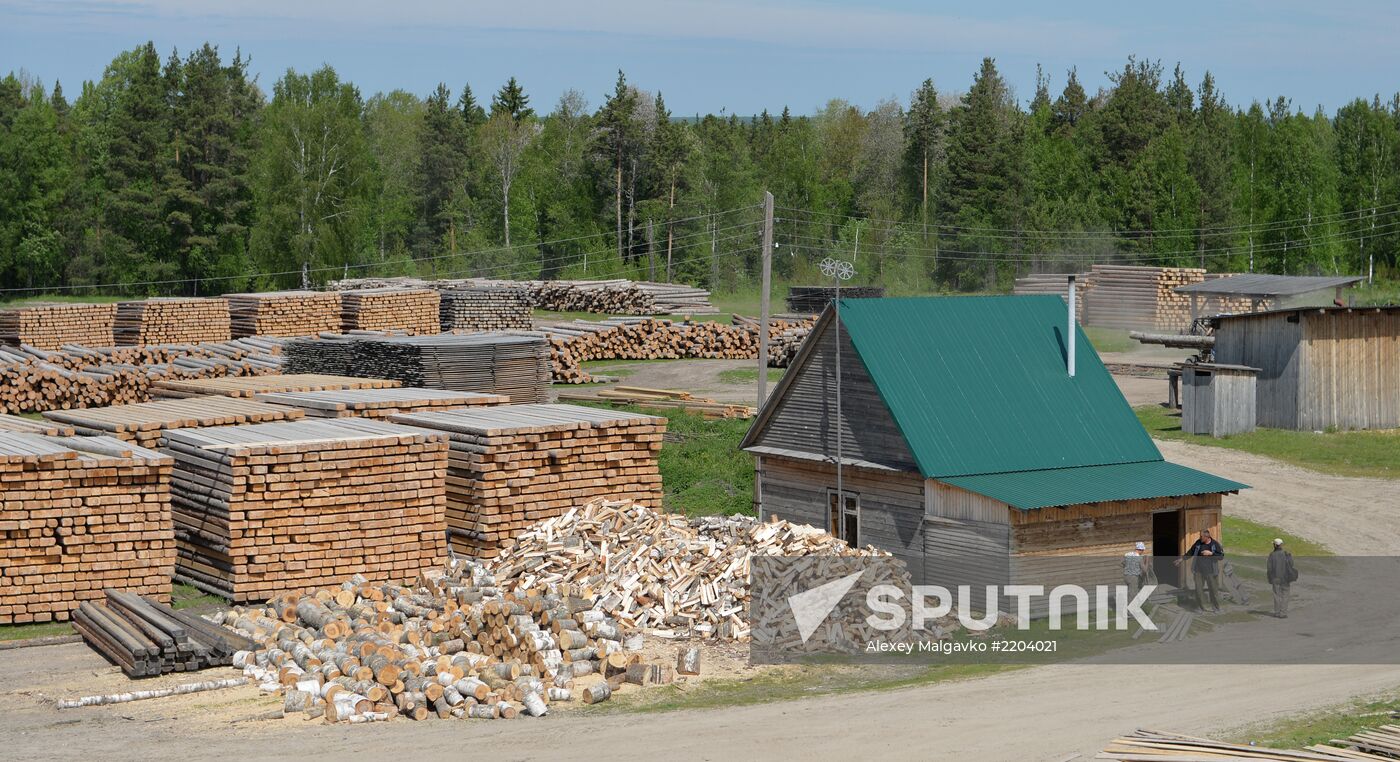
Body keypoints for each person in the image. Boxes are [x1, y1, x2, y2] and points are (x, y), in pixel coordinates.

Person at [1175, 529, 1224, 612]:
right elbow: (1191, 552)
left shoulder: (1215, 544)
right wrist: (1181, 559)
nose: (1200, 538)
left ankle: (1216, 608)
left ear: (1207, 537)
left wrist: (1211, 553)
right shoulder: (1198, 543)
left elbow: (1221, 556)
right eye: (1200, 536)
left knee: (1213, 590)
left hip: (1211, 572)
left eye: (1201, 536)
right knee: (1198, 590)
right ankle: (1200, 607)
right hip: (1198, 571)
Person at [1266, 538, 1298, 618]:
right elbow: (1291, 564)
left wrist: (1270, 578)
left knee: (1277, 595)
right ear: (1281, 545)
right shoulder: (1286, 554)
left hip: (1275, 578)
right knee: (1285, 595)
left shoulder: (1271, 555)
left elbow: (1269, 568)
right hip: (1285, 578)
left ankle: (1277, 612)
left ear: (1274, 545)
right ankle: (1283, 613)